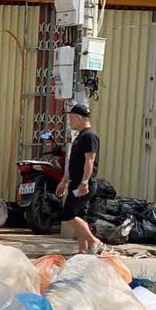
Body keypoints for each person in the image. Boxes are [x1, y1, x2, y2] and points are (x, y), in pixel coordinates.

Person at [56, 104, 102, 254]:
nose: (69, 122)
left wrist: (84, 182)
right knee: (79, 217)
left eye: (71, 118)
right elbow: (74, 163)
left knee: (68, 215)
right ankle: (83, 251)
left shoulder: (89, 136)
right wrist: (64, 181)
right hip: (76, 182)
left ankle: (94, 241)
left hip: (83, 184)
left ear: (79, 117)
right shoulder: (80, 137)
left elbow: (90, 160)